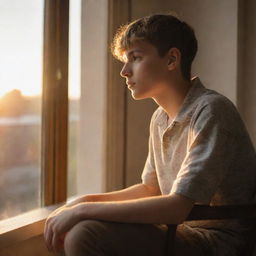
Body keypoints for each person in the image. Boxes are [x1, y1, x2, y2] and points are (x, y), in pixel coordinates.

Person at [44, 13, 256, 256]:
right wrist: (83, 202)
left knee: (84, 232)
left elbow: (177, 207)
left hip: (216, 243)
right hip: (180, 231)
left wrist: (83, 212)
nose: (124, 71)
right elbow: (150, 188)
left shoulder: (212, 110)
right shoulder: (159, 118)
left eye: (135, 58)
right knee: (78, 226)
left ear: (172, 60)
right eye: (125, 60)